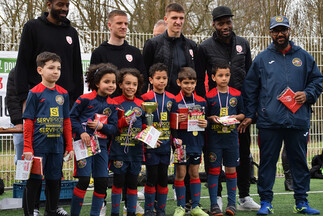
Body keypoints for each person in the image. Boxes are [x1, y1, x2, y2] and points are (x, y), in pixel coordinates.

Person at [239, 15, 323, 215]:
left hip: (298, 120)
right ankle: (266, 202)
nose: (279, 34)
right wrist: (252, 114)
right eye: (276, 31)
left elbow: (317, 80)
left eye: (283, 29)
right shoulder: (261, 59)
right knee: (267, 162)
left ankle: (301, 202)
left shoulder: (303, 56)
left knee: (300, 162)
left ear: (289, 30)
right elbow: (250, 89)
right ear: (270, 33)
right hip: (269, 122)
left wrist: (308, 94)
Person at [195, 6, 259, 211]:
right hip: (215, 111)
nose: (225, 26)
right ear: (213, 24)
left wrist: (249, 114)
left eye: (228, 22)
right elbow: (199, 82)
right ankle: (219, 199)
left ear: (232, 22)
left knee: (243, 153)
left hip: (239, 111)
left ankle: (244, 197)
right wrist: (205, 111)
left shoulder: (243, 43)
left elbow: (250, 79)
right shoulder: (204, 47)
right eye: (220, 23)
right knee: (214, 156)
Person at [22, 52, 74, 216]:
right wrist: (27, 147)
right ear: (40, 70)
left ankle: (51, 211)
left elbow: (66, 121)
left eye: (58, 68)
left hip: (57, 147)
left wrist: (69, 146)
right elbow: (28, 122)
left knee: (54, 179)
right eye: (51, 68)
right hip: (38, 146)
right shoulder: (34, 93)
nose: (56, 71)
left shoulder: (63, 93)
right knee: (35, 180)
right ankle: (31, 211)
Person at [69, 63, 118, 216]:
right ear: (97, 83)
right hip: (83, 146)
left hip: (101, 147)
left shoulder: (113, 104)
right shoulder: (84, 99)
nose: (111, 85)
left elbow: (113, 128)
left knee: (102, 183)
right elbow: (71, 118)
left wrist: (101, 126)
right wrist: (81, 132)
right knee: (83, 180)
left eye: (113, 82)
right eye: (107, 81)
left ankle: (95, 214)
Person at [15, 0, 83, 109]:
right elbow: (22, 64)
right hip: (39, 99)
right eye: (60, 4)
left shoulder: (72, 32)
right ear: (49, 5)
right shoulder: (32, 27)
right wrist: (24, 98)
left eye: (67, 5)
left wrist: (77, 100)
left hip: (66, 101)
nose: (65, 9)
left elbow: (77, 68)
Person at [205, 60, 245, 216]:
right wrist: (211, 118)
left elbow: (243, 113)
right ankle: (214, 204)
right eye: (220, 75)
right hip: (215, 140)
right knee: (214, 170)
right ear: (213, 77)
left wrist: (237, 117)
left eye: (227, 75)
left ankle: (232, 205)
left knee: (231, 169)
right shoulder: (208, 96)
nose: (224, 78)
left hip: (231, 139)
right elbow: (205, 116)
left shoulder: (236, 94)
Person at [171, 67, 208, 216]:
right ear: (179, 82)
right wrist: (175, 122)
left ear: (196, 83)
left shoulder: (202, 101)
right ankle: (180, 207)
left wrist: (207, 124)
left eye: (192, 83)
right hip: (180, 144)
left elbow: (207, 121)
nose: (189, 86)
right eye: (186, 82)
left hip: (196, 142)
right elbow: (168, 123)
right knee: (180, 174)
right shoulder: (173, 101)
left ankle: (195, 207)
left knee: (195, 173)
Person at [109, 68, 146, 216]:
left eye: (134, 84)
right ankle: (114, 212)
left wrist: (148, 133)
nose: (131, 87)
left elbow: (143, 125)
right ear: (120, 85)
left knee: (132, 183)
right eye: (128, 83)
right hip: (119, 151)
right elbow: (111, 126)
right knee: (118, 183)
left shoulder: (142, 104)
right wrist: (124, 121)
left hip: (136, 151)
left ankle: (131, 212)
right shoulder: (114, 102)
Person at [141, 63, 175, 216]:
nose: (161, 81)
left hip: (166, 144)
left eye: (164, 78)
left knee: (163, 178)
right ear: (151, 79)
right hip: (151, 145)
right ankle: (149, 209)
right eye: (158, 78)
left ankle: (161, 210)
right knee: (151, 178)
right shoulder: (144, 98)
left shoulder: (172, 99)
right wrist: (148, 139)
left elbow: (174, 123)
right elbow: (141, 122)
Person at [143, 3, 197, 95]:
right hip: (161, 99)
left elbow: (196, 75)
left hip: (184, 99)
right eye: (174, 18)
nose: (178, 22)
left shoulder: (191, 45)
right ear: (166, 19)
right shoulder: (153, 44)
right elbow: (144, 75)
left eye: (181, 18)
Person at [90, 10, 147, 93]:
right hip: (108, 104)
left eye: (126, 24)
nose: (123, 26)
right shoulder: (99, 53)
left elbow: (143, 81)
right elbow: (94, 83)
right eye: (119, 23)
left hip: (131, 104)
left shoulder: (135, 52)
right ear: (109, 25)